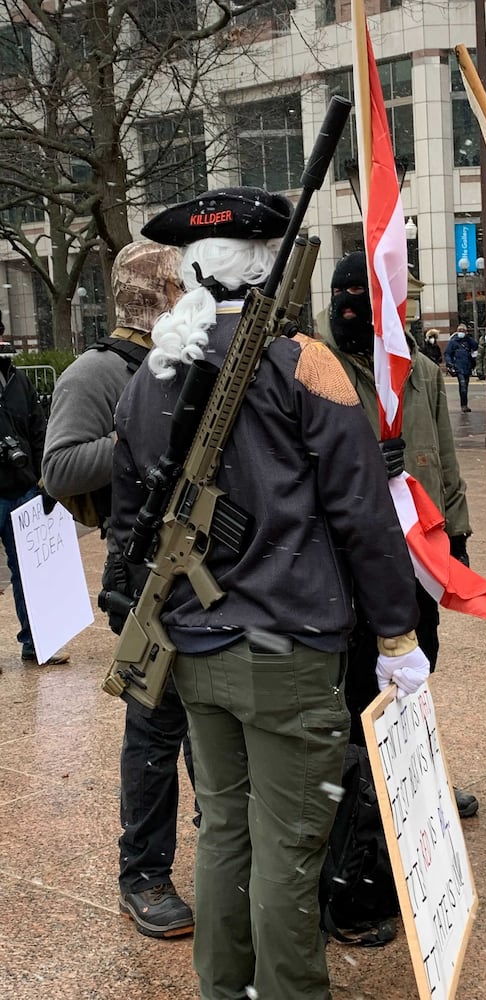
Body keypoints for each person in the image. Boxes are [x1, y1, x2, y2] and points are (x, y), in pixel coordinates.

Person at [110, 190, 428, 1000]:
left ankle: (227, 989)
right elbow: (362, 513)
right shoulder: (305, 363)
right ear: (270, 267)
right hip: (287, 646)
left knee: (224, 832)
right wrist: (398, 635)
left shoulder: (152, 373)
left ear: (192, 269)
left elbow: (126, 517)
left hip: (193, 643)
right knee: (288, 846)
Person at [41, 240, 197, 939]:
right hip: (142, 570)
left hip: (205, 562)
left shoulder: (187, 358)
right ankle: (143, 873)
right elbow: (61, 469)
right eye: (171, 284)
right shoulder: (97, 373)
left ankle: (219, 841)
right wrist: (139, 441)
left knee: (210, 719)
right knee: (156, 727)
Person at [319, 250, 479, 820]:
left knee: (416, 663)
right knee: (358, 672)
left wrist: (455, 536)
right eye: (344, 292)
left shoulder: (421, 371)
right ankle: (360, 792)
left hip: (417, 552)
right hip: (346, 553)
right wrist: (363, 462)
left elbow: (444, 461)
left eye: (366, 294)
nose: (351, 305)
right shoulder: (313, 367)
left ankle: (416, 776)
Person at [0, 333, 69, 667]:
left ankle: (35, 643)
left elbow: (40, 430)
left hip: (24, 489)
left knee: (28, 573)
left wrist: (46, 481)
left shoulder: (18, 380)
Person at [444, 321, 478, 412]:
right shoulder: (453, 342)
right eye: (459, 330)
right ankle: (464, 405)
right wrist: (450, 363)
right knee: (462, 386)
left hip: (467, 367)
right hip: (458, 367)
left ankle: (464, 404)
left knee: (465, 387)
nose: (461, 332)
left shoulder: (468, 341)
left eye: (463, 331)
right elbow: (447, 353)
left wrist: (468, 337)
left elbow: (475, 346)